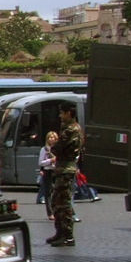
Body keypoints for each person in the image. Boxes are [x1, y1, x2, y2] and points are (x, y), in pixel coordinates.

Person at [47, 102, 84, 247]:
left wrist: (55, 148)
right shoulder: (68, 128)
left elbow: (57, 148)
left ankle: (68, 235)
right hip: (62, 168)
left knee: (64, 203)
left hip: (66, 169)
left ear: (69, 113)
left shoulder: (71, 130)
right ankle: (60, 232)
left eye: (62, 113)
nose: (60, 116)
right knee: (56, 200)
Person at [38, 131, 58, 220]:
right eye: (49, 137)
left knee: (57, 192)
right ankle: (50, 213)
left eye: (52, 137)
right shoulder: (44, 149)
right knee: (48, 192)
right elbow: (41, 162)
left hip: (56, 171)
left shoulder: (57, 149)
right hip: (48, 171)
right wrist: (50, 161)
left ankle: (56, 211)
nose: (51, 139)